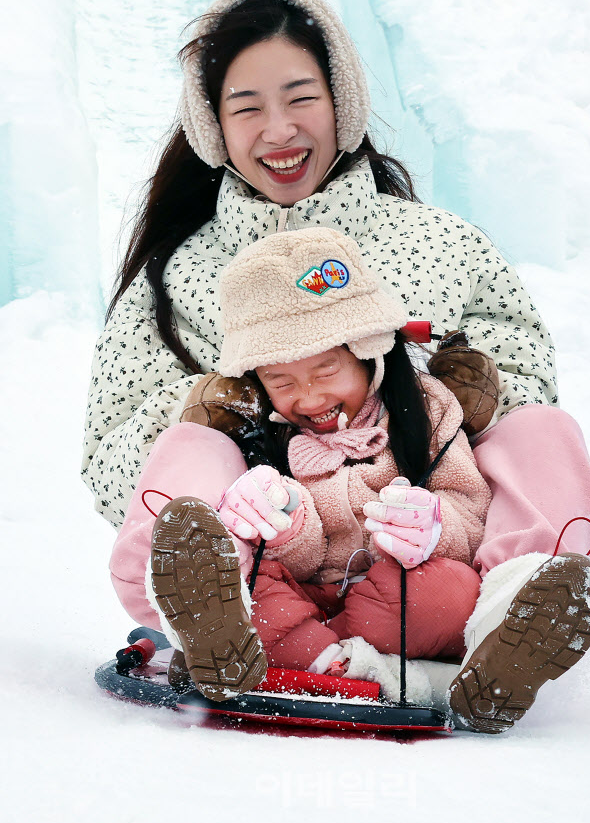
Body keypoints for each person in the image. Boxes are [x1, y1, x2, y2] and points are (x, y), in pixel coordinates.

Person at [82, 0, 590, 733]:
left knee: (545, 431)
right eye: (247, 107)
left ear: (343, 100)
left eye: (301, 97)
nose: (279, 129)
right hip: (268, 561)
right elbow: (109, 454)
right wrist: (218, 422)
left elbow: (522, 378)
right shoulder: (178, 277)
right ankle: (211, 614)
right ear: (212, 125)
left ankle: (513, 621)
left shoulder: (440, 245)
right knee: (190, 444)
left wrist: (450, 396)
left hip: (426, 561)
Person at [126, 226, 491, 706]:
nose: (311, 397)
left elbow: (470, 504)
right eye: (281, 380)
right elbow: (276, 554)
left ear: (367, 352)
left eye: (327, 370)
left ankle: (303, 661)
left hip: (398, 597)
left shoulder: (427, 409)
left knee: (451, 594)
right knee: (246, 591)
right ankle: (341, 666)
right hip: (300, 595)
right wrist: (285, 525)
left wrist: (437, 527)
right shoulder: (256, 429)